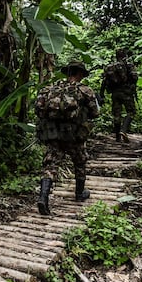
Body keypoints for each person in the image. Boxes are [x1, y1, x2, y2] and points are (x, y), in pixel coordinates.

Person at [35, 61, 99, 215]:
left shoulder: (49, 89)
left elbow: (38, 110)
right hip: (74, 135)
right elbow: (95, 113)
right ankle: (79, 192)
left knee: (50, 165)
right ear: (80, 74)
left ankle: (43, 198)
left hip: (54, 133)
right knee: (80, 161)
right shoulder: (85, 90)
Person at [99, 48, 138, 142]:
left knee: (117, 114)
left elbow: (104, 81)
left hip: (115, 93)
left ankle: (117, 137)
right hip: (126, 92)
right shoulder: (128, 65)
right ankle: (123, 130)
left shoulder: (110, 67)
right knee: (131, 112)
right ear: (125, 55)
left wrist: (102, 94)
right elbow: (135, 77)